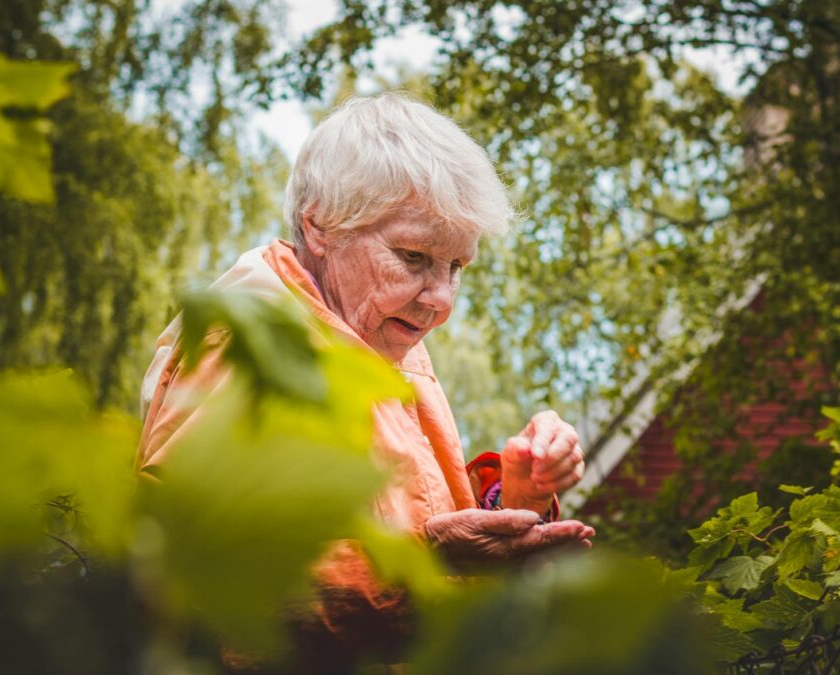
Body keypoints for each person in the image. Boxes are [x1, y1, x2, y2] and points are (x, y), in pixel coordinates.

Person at [136, 92, 593, 670]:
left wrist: (514, 496)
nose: (442, 300)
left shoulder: (377, 335)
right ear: (320, 225)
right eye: (414, 256)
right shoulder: (247, 349)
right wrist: (425, 563)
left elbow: (404, 516)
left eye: (457, 267)